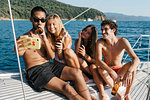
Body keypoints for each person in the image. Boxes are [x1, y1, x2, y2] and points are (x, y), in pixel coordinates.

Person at [15, 6, 93, 100]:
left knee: (77, 72)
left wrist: (44, 37)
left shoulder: (46, 37)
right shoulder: (25, 38)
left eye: (43, 20)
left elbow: (51, 56)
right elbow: (19, 52)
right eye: (36, 20)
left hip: (49, 66)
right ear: (31, 19)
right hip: (36, 71)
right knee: (66, 87)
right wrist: (18, 45)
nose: (39, 23)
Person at [95, 19, 140, 100]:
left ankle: (127, 94)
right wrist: (111, 71)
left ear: (113, 30)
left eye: (106, 29)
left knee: (132, 65)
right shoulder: (100, 42)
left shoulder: (122, 41)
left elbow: (136, 59)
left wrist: (129, 72)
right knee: (100, 69)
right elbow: (98, 60)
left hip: (120, 72)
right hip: (108, 72)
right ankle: (118, 93)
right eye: (102, 29)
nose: (103, 32)